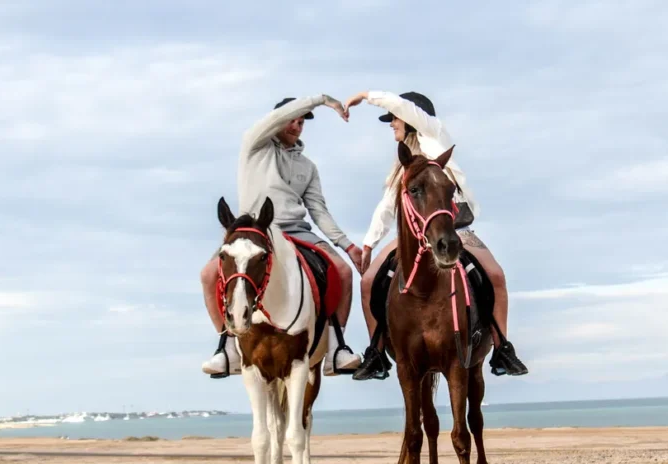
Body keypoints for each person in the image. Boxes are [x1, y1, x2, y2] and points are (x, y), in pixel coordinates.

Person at [342, 90, 529, 380]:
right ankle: (376, 352)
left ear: (410, 118)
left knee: (496, 277)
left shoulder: (434, 135)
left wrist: (369, 96)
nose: (392, 124)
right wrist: (368, 243)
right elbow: (388, 205)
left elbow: (405, 109)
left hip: (455, 229)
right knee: (368, 282)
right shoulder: (402, 165)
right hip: (415, 234)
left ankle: (502, 347)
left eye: (395, 119)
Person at [200, 95, 364, 378]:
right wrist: (322, 101)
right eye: (292, 119)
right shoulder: (255, 146)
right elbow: (277, 119)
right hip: (254, 230)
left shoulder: (308, 168)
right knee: (208, 275)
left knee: (343, 271)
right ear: (277, 121)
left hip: (296, 231)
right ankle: (226, 346)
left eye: (301, 122)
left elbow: (318, 210)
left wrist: (347, 245)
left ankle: (337, 347)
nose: (296, 126)